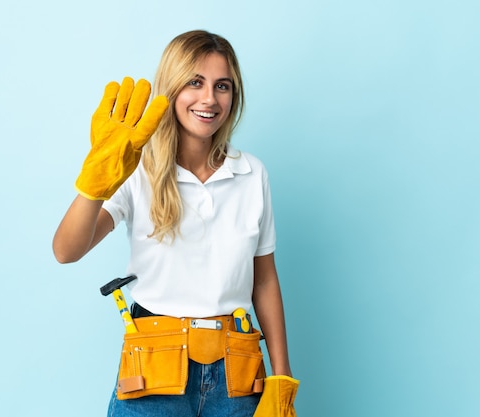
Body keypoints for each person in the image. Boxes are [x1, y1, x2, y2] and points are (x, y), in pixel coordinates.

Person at [53, 30, 297, 417]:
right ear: (171, 88)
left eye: (222, 86)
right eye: (194, 82)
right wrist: (94, 182)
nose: (209, 99)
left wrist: (282, 377)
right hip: (153, 372)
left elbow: (264, 279)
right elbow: (66, 250)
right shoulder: (135, 167)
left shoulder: (251, 173)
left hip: (239, 374)